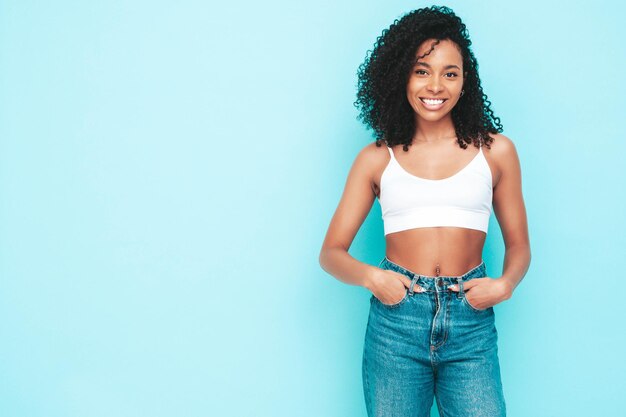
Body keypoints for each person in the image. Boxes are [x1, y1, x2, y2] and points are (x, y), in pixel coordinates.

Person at [318, 5, 531, 417]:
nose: (436, 85)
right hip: (396, 324)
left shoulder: (497, 152)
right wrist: (372, 278)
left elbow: (520, 245)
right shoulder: (376, 159)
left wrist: (504, 285)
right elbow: (331, 253)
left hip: (470, 322)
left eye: (450, 73)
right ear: (401, 77)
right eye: (422, 71)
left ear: (465, 81)